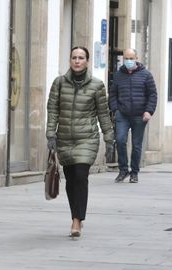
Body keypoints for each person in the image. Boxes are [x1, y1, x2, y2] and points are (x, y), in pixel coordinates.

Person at [46, 46, 114, 237]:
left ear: (87, 61)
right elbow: (52, 110)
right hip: (65, 138)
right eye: (74, 57)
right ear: (70, 60)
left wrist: (108, 138)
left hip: (87, 138)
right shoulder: (59, 83)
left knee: (80, 175)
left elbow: (103, 113)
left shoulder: (97, 85)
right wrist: (51, 134)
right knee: (70, 180)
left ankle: (77, 220)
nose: (77, 61)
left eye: (81, 57)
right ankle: (75, 216)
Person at [108, 48, 157, 184]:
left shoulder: (146, 75)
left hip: (139, 116)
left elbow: (152, 94)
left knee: (136, 145)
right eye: (126, 58)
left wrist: (149, 111)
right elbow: (113, 94)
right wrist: (115, 110)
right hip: (122, 115)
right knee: (120, 140)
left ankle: (134, 172)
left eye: (131, 58)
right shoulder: (118, 75)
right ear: (123, 59)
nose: (128, 61)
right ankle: (123, 170)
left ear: (136, 58)